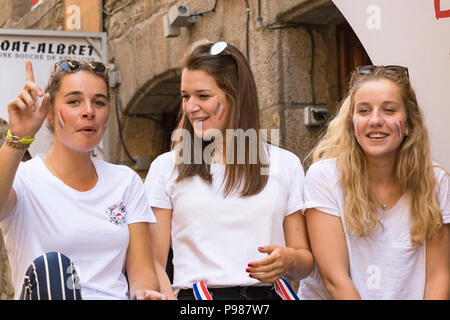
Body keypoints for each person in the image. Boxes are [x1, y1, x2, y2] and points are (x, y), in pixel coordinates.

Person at [144, 39, 313, 300]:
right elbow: (152, 262)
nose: (190, 107)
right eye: (185, 96)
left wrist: (289, 259)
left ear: (236, 96)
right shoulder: (166, 167)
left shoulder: (286, 163)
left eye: (203, 96)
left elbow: (304, 262)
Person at [0, 59, 165, 300]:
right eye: (74, 101)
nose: (89, 111)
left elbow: (143, 276)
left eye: (99, 102)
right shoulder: (23, 179)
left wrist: (145, 294)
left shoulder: (126, 181)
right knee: (52, 267)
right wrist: (17, 139)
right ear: (48, 114)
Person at [299, 65, 450, 300]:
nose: (376, 120)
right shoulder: (325, 177)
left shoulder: (435, 181)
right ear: (351, 123)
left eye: (389, 110)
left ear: (409, 124)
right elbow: (336, 280)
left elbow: (439, 277)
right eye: (364, 111)